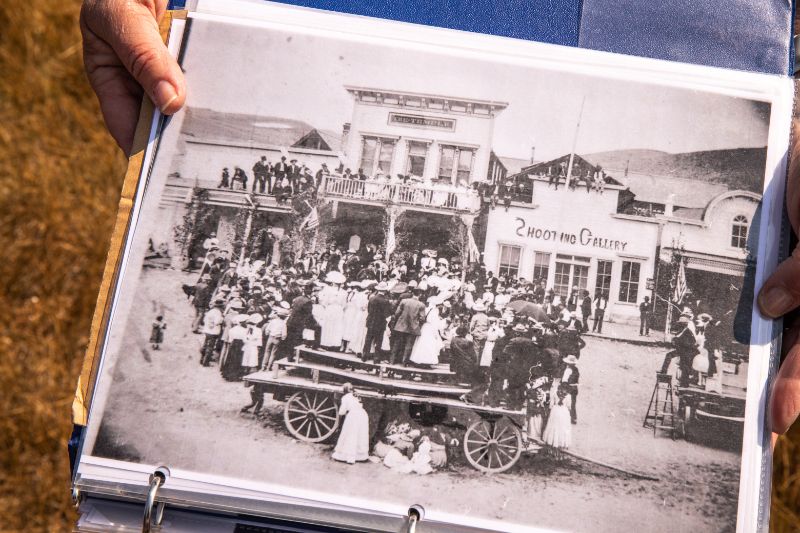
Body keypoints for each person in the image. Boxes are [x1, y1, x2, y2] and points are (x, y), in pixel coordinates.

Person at [332, 383, 370, 464]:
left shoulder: (345, 397)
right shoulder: (356, 395)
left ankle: (349, 456)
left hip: (353, 416)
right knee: (360, 435)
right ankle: (361, 456)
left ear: (345, 391)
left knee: (351, 435)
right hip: (363, 415)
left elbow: (342, 412)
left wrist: (341, 409)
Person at [390, 289, 426, 365]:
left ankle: (392, 361)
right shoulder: (421, 305)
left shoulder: (404, 301)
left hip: (401, 325)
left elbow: (397, 313)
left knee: (396, 343)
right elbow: (422, 318)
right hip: (413, 327)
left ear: (412, 293)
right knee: (408, 346)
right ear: (420, 295)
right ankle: (404, 363)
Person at [363, 282, 393, 361]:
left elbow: (369, 310)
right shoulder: (385, 301)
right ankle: (376, 358)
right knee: (378, 341)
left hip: (370, 322)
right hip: (380, 323)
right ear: (385, 291)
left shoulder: (372, 298)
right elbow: (387, 314)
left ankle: (364, 355)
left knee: (368, 339)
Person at [409, 302, 444, 366]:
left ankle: (419, 360)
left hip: (425, 327)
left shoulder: (427, 309)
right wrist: (436, 332)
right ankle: (427, 361)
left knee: (421, 343)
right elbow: (435, 322)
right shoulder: (435, 311)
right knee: (429, 344)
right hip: (431, 327)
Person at [542, 384, 572, 458]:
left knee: (554, 427)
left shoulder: (555, 393)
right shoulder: (568, 396)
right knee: (563, 428)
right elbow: (569, 406)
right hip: (564, 412)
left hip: (555, 411)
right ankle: (560, 445)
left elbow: (551, 405)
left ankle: (552, 444)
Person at [200, 299, 225, 366]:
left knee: (205, 344)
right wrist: (222, 320)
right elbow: (217, 322)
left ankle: (202, 359)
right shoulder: (218, 313)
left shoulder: (210, 311)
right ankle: (206, 362)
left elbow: (205, 320)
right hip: (213, 331)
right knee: (210, 346)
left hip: (207, 330)